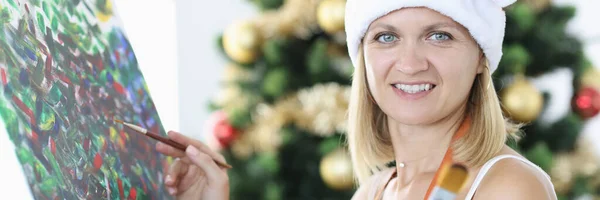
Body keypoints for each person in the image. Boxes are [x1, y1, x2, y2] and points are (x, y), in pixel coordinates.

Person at [155, 0, 559, 199]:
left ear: (480, 58)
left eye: (440, 35)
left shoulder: (506, 187)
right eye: (387, 36)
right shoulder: (376, 191)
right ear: (363, 57)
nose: (410, 63)